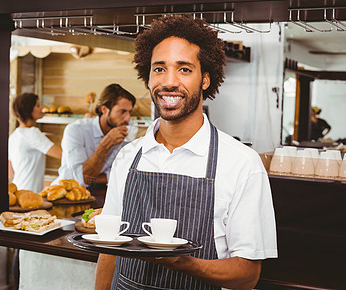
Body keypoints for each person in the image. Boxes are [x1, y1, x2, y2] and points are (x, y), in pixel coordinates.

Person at [95, 15, 277, 290]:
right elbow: (109, 248)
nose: (169, 82)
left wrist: (187, 264)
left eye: (184, 69)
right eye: (159, 69)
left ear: (205, 79)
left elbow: (247, 274)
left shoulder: (241, 164)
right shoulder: (128, 157)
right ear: (148, 77)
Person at [53, 83, 136, 189]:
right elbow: (82, 179)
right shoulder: (75, 130)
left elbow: (123, 172)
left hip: (101, 192)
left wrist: (94, 179)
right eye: (122, 112)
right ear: (104, 110)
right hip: (67, 194)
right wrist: (106, 143)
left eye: (130, 112)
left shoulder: (126, 129)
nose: (127, 119)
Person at [8, 92, 62, 192]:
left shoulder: (14, 136)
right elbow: (61, 154)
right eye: (38, 105)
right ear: (29, 110)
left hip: (18, 192)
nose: (42, 108)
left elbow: (10, 172)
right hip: (30, 193)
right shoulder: (32, 133)